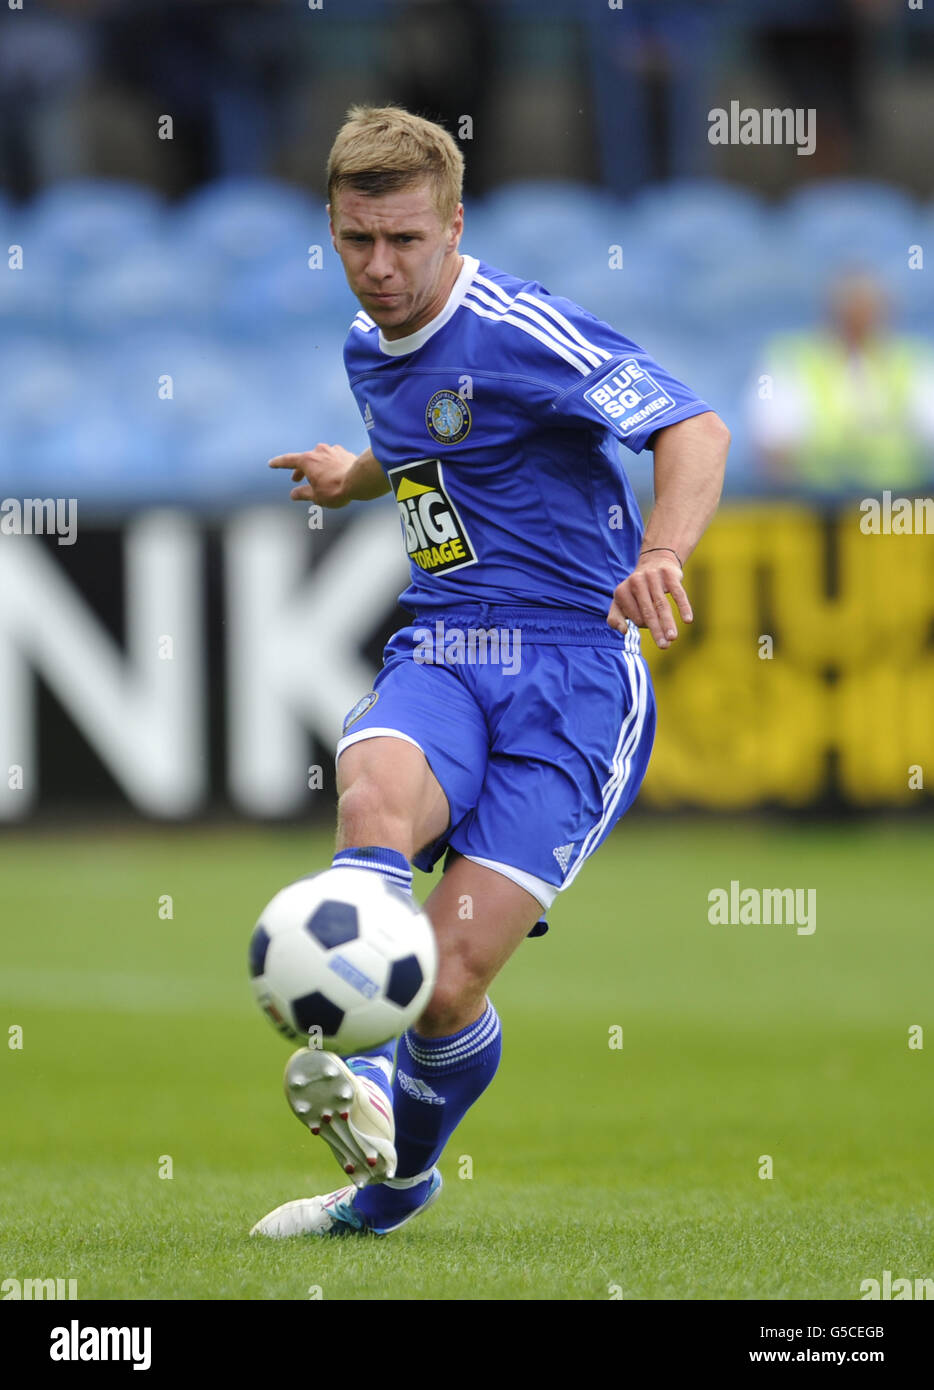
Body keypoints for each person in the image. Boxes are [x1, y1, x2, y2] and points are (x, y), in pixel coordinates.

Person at [251, 105, 729, 1239]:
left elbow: (693, 428)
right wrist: (355, 475)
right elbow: (425, 437)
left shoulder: (518, 329)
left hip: (572, 674)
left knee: (453, 978)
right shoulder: (370, 345)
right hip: (449, 643)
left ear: (454, 225)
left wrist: (660, 553)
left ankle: (393, 1180)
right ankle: (364, 1039)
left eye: (406, 241)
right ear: (332, 228)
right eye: (357, 242)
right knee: (371, 778)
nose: (381, 268)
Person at [750, 270, 934, 489]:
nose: (860, 319)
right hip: (816, 507)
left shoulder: (912, 363)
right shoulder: (791, 361)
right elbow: (773, 447)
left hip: (894, 507)